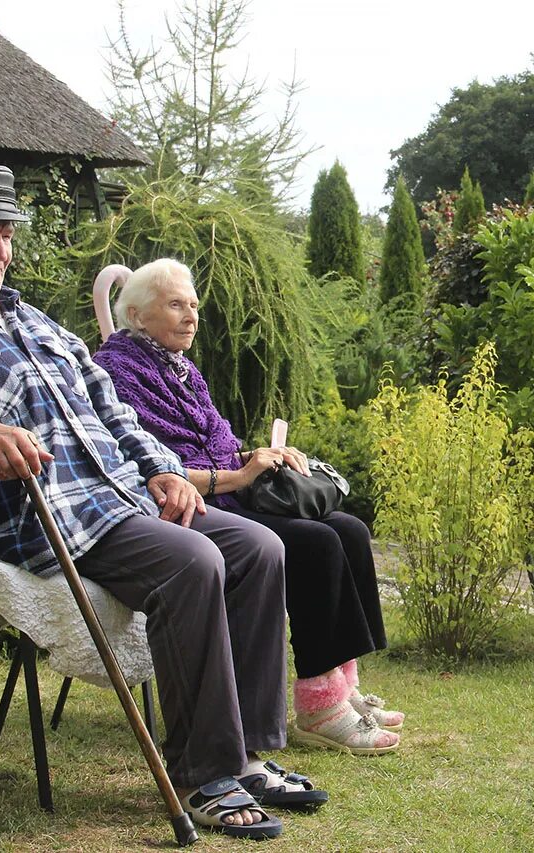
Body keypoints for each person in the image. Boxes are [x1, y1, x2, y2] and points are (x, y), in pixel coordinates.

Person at [0, 161, 326, 840]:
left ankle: (248, 753)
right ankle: (206, 775)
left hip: (119, 499)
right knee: (192, 562)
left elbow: (117, 415)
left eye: (6, 234)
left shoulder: (41, 324)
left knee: (259, 547)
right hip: (42, 515)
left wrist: (164, 470)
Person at [93, 258, 403, 756]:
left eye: (194, 305)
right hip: (182, 508)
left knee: (348, 529)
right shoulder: (115, 371)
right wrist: (238, 475)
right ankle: (319, 707)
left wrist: (264, 456)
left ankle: (342, 689)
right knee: (316, 543)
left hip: (228, 491)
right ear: (135, 315)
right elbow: (146, 465)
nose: (190, 316)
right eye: (175, 305)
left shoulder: (182, 368)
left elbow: (218, 443)